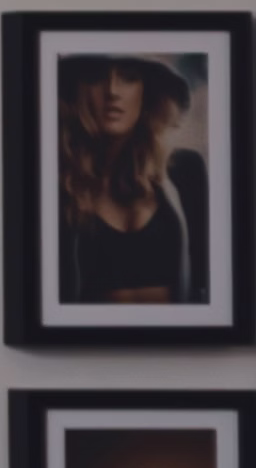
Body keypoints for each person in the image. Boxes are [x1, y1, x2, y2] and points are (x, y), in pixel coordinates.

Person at [58, 52, 211, 311]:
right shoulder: (59, 183)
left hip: (179, 346)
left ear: (147, 92)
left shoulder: (185, 170)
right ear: (78, 90)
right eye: (97, 77)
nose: (112, 91)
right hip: (86, 349)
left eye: (129, 77)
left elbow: (208, 280)